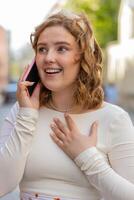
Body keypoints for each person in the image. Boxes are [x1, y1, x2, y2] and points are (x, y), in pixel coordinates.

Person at [0, 10, 134, 200]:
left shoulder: (114, 118)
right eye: (42, 49)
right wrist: (27, 116)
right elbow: (2, 184)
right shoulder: (22, 111)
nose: (48, 58)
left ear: (82, 57)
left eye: (61, 48)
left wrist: (87, 157)